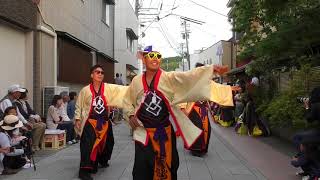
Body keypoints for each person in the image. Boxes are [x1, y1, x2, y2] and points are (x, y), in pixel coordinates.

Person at [123, 46, 235, 180]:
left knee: (167, 167)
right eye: (151, 55)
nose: (155, 59)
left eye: (158, 56)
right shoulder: (136, 81)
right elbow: (127, 99)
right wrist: (130, 115)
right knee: (141, 169)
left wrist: (210, 70)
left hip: (163, 133)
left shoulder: (168, 78)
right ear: (143, 59)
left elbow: (188, 77)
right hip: (143, 133)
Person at [74, 64, 128, 180]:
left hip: (104, 121)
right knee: (87, 146)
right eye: (97, 72)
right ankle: (84, 170)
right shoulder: (85, 90)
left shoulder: (108, 88)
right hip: (90, 121)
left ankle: (102, 160)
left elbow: (121, 92)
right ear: (91, 75)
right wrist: (78, 119)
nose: (100, 74)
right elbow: (79, 106)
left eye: (102, 73)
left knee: (109, 143)